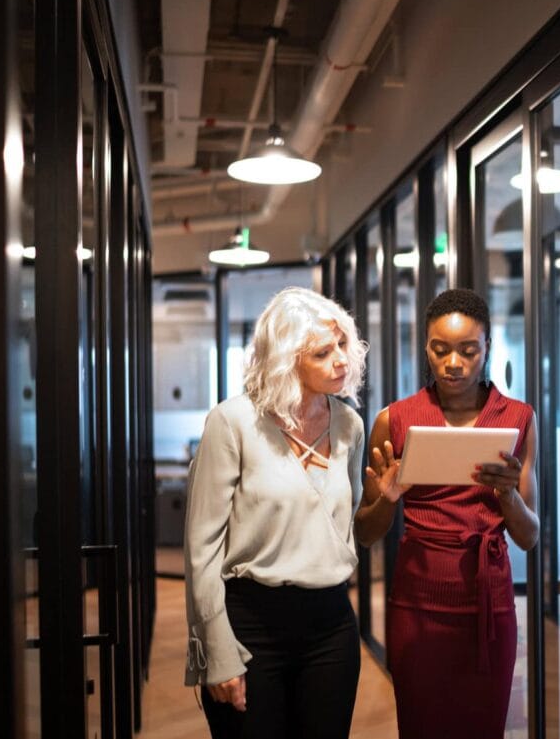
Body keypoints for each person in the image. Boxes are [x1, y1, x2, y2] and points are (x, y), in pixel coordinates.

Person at [184, 287, 369, 739]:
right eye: (323, 353)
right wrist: (216, 648)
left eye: (343, 344)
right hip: (251, 622)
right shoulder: (233, 423)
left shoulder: (349, 425)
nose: (341, 361)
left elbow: (344, 525)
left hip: (331, 624)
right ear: (286, 359)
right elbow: (201, 549)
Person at [355, 288, 539, 739]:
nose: (453, 362)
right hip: (418, 603)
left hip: (488, 602)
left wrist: (507, 496)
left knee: (484, 727)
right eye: (440, 350)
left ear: (487, 349)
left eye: (468, 350)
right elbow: (363, 531)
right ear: (426, 349)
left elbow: (530, 536)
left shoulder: (517, 418)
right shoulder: (394, 420)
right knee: (421, 726)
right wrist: (389, 497)